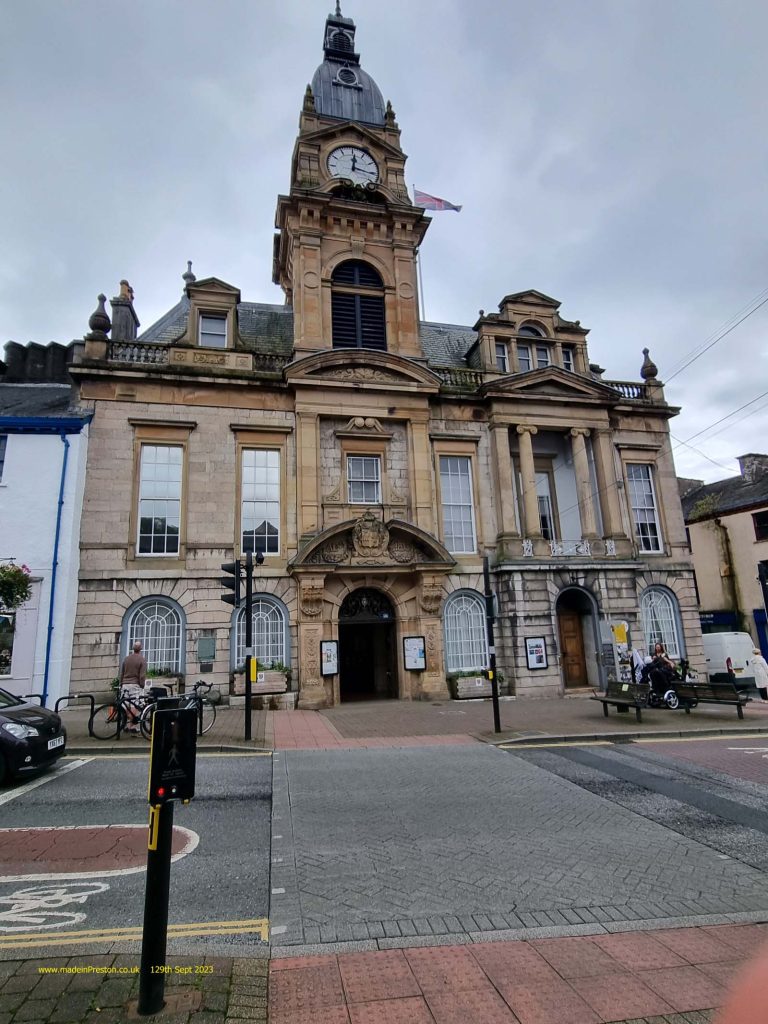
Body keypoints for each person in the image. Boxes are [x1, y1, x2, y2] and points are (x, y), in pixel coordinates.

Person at [120, 641, 147, 733]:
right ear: (141, 649)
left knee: (126, 705)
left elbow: (122, 673)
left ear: (133, 648)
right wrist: (142, 685)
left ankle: (127, 725)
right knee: (133, 705)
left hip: (125, 684)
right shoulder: (142, 659)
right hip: (135, 684)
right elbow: (142, 676)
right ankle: (132, 726)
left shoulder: (126, 659)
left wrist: (121, 683)